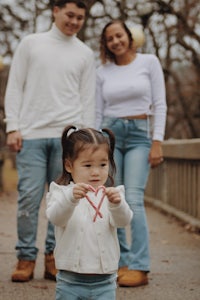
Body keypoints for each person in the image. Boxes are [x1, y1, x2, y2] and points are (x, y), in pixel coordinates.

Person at [4, 0, 96, 282]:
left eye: (80, 17)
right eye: (70, 15)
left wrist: (86, 139)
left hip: (66, 140)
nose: (74, 21)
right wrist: (13, 126)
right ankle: (25, 258)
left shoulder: (85, 53)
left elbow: (87, 98)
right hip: (31, 135)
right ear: (55, 11)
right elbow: (15, 85)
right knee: (29, 199)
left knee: (65, 201)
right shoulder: (31, 44)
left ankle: (54, 258)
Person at [96, 20, 167, 287]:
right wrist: (96, 145)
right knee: (114, 198)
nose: (116, 41)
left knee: (134, 199)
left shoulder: (149, 62)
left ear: (129, 36)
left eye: (119, 35)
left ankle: (140, 265)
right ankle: (121, 262)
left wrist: (157, 141)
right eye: (110, 39)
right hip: (110, 136)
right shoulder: (102, 71)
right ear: (106, 44)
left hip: (140, 135)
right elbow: (98, 111)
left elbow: (159, 104)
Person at [46, 125, 133, 300]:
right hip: (69, 281)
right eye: (87, 165)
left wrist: (117, 205)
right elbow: (56, 217)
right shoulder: (60, 193)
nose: (96, 172)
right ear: (69, 165)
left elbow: (123, 221)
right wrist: (70, 199)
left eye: (102, 164)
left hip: (105, 281)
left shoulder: (113, 194)